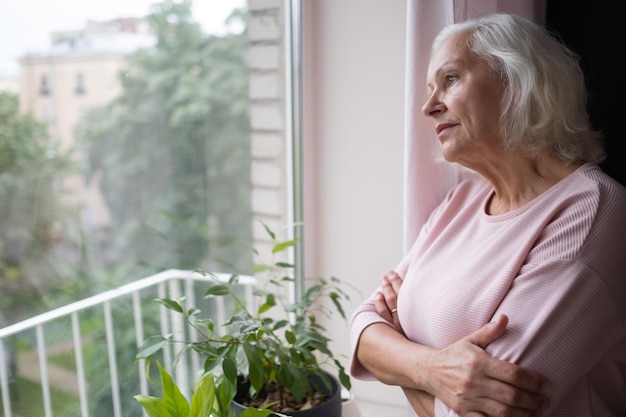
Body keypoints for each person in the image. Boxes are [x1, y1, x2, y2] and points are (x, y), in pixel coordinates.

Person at [349, 12, 626, 417]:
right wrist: (432, 370)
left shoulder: (592, 210)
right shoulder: (459, 203)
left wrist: (398, 344)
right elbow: (362, 326)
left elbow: (486, 412)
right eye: (430, 88)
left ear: (517, 81)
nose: (428, 107)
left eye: (450, 79)